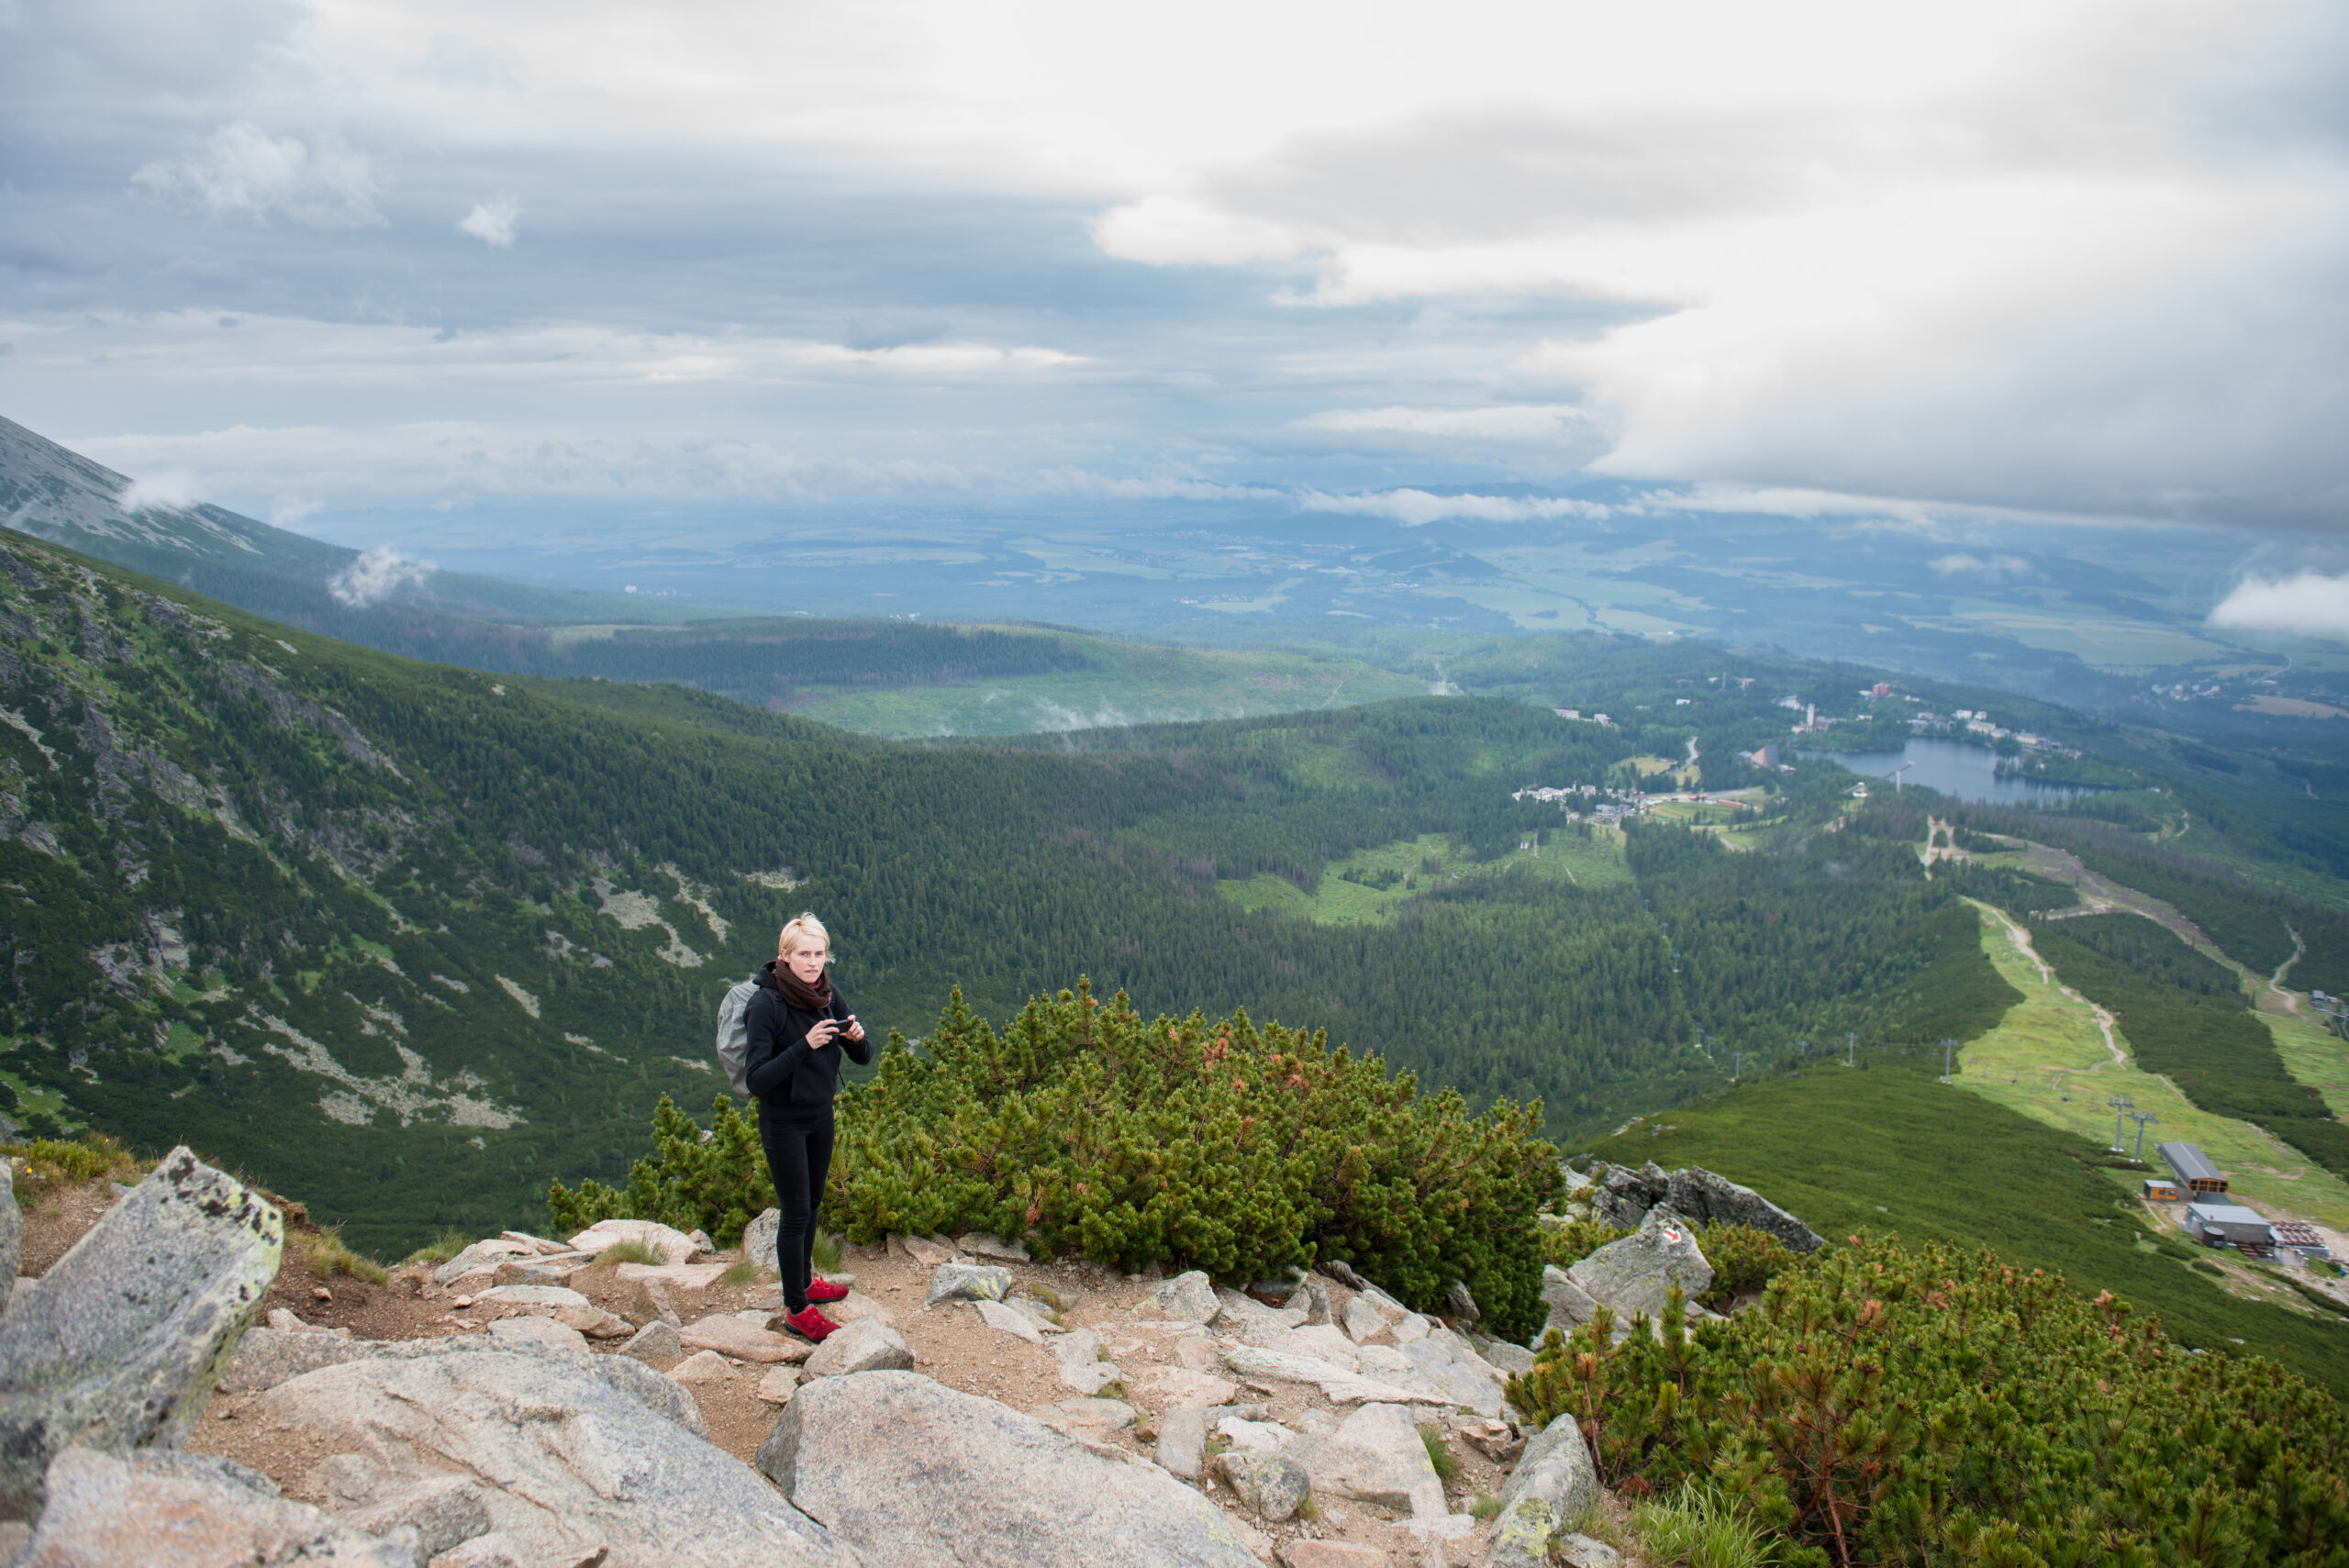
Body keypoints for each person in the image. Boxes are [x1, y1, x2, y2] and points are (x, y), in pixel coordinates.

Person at [743, 911, 871, 1340]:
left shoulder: (828, 995)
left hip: (820, 1115)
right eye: (804, 955)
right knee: (795, 1211)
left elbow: (864, 1057)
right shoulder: (766, 1004)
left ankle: (804, 1281)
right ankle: (797, 1308)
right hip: (783, 1121)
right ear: (784, 955)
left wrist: (857, 1039)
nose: (813, 963)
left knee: (814, 1202)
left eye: (819, 954)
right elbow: (756, 1080)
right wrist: (804, 1045)